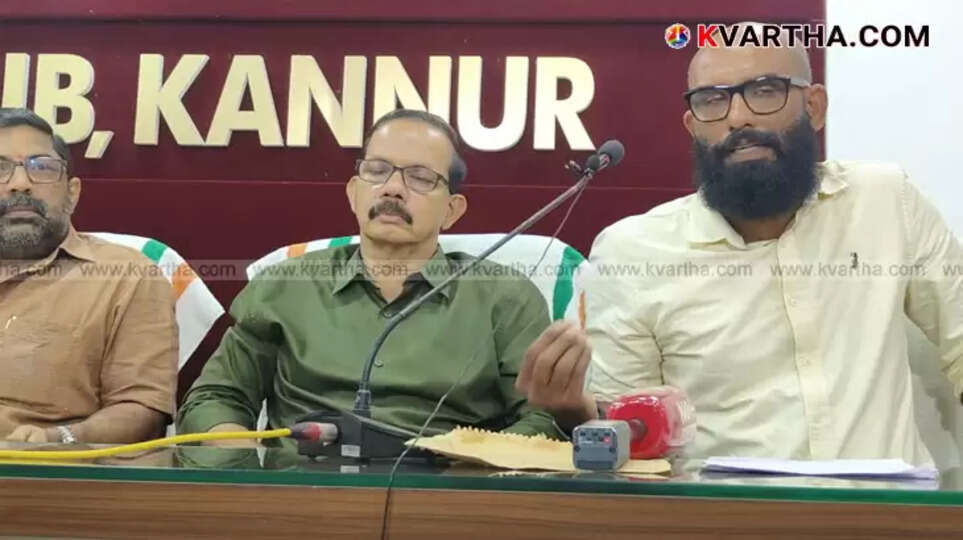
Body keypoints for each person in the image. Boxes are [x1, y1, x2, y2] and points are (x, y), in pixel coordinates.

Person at [527, 27, 962, 465]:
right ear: (692, 126)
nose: (737, 118)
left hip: (889, 503)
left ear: (814, 106)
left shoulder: (885, 202)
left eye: (765, 91)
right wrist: (575, 412)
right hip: (722, 505)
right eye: (712, 100)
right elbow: (630, 437)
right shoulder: (633, 252)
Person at [177, 109, 592, 446]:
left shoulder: (505, 297)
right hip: (299, 491)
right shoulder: (284, 286)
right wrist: (241, 456)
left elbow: (539, 418)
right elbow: (215, 397)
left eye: (420, 178)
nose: (393, 189)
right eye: (377, 171)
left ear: (452, 210)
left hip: (451, 494)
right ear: (353, 193)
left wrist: (476, 468)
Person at [0, 107, 177, 444]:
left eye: (42, 168)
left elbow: (142, 411)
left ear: (72, 193)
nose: (20, 184)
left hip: (38, 469)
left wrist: (60, 438)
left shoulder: (127, 277)